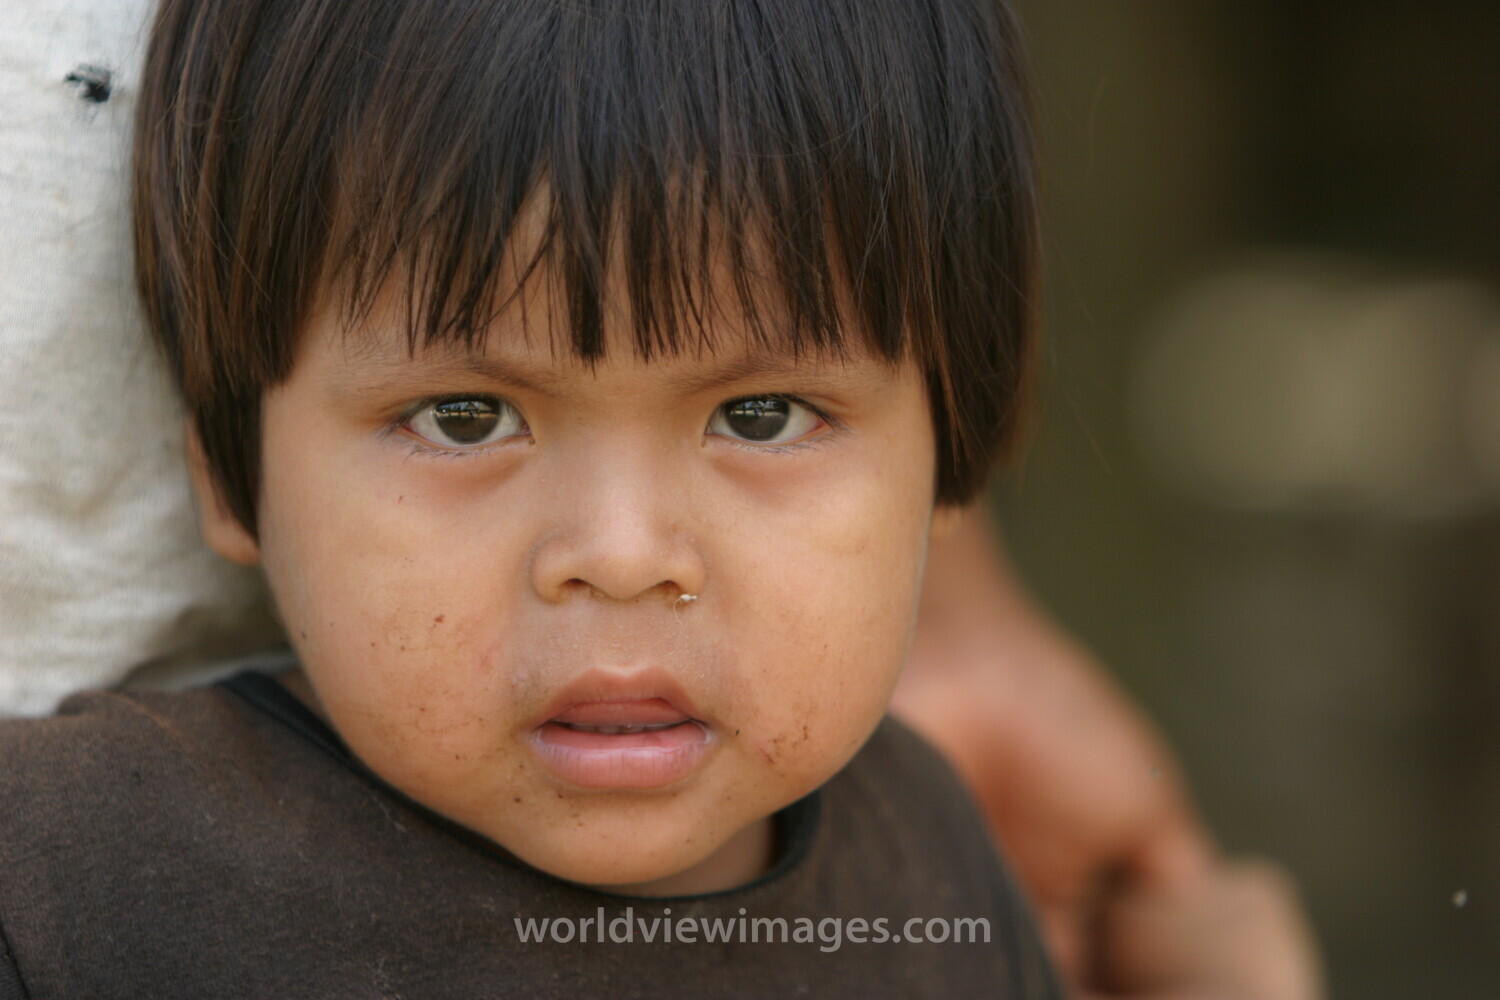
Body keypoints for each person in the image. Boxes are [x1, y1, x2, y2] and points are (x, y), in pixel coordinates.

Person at [0, 0, 1064, 995]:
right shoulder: (72, 880)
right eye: (464, 418)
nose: (622, 555)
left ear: (952, 451)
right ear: (230, 471)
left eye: (762, 416)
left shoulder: (937, 867)